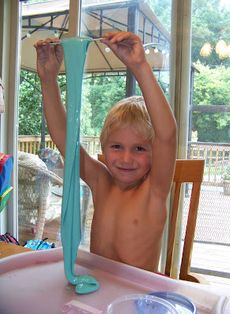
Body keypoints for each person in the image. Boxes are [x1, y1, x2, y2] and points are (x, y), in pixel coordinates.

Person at [34, 31, 177, 272]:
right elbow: (63, 138)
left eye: (139, 148)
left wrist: (139, 66)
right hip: (97, 288)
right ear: (103, 147)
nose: (126, 158)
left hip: (138, 299)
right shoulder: (101, 182)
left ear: (155, 153)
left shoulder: (153, 191)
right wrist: (48, 79)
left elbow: (167, 135)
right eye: (116, 146)